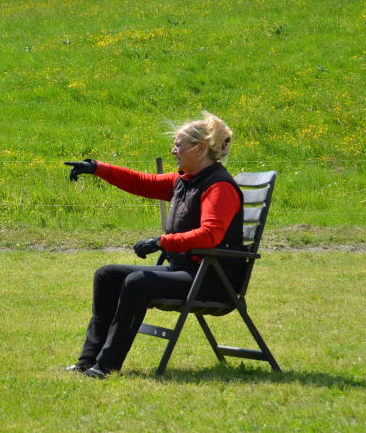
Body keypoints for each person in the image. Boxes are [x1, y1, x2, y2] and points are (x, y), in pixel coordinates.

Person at [64, 111, 245, 379]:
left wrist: (162, 242)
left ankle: (106, 366)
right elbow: (141, 182)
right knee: (107, 275)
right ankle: (87, 360)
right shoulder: (184, 180)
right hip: (186, 271)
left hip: (212, 280)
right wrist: (97, 168)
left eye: (178, 146)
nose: (173, 151)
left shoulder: (219, 187)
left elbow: (210, 235)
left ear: (200, 149)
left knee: (138, 282)